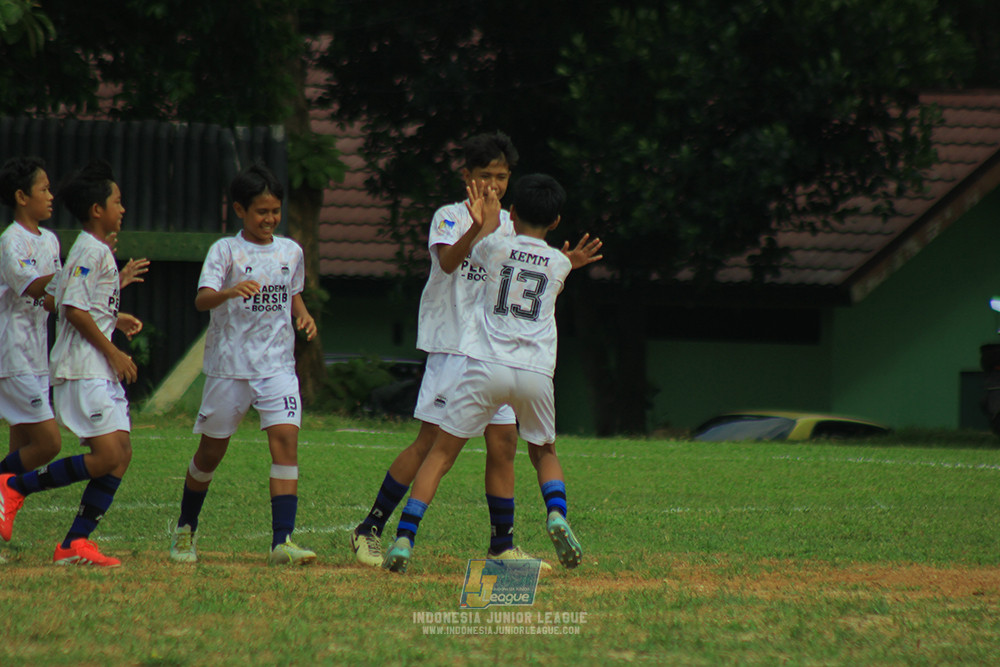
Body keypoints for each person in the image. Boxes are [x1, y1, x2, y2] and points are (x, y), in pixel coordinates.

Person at [383, 173, 600, 573]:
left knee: (441, 454)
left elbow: (459, 261)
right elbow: (546, 277)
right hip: (535, 373)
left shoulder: (495, 247)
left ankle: (404, 538)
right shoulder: (558, 263)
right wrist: (571, 261)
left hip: (486, 367)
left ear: (512, 213)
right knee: (544, 452)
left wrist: (484, 222)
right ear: (555, 222)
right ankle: (556, 513)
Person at [350, 131, 541, 568]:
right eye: (485, 176)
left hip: (497, 353)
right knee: (430, 441)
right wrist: (479, 227)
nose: (493, 185)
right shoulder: (450, 217)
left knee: (504, 441)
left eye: (502, 176)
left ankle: (502, 545)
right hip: (453, 347)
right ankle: (370, 527)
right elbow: (449, 263)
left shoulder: (516, 224)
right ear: (466, 176)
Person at [168, 163, 318, 566]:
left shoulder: (291, 251)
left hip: (277, 367)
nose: (270, 219)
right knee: (210, 454)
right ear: (240, 210)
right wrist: (230, 291)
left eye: (275, 211)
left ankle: (281, 542)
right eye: (261, 212)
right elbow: (202, 299)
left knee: (286, 443)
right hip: (229, 367)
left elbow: (293, 293)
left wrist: (301, 314)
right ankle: (185, 529)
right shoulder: (225, 251)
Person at [0, 159, 144, 566]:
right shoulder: (85, 249)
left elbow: (79, 302)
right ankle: (15, 487)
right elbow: (74, 310)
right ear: (97, 210)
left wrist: (116, 314)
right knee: (100, 455)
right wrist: (114, 350)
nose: (123, 208)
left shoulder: (88, 250)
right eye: (117, 201)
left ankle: (74, 543)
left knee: (122, 452)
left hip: (96, 366)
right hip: (81, 367)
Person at [0, 157, 63, 480]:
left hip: (37, 356)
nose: (51, 196)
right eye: (44, 189)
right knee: (49, 443)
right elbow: (33, 286)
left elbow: (53, 300)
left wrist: (110, 311)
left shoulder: (50, 240)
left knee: (21, 447)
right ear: (22, 197)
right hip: (13, 355)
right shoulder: (11, 241)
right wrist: (77, 273)